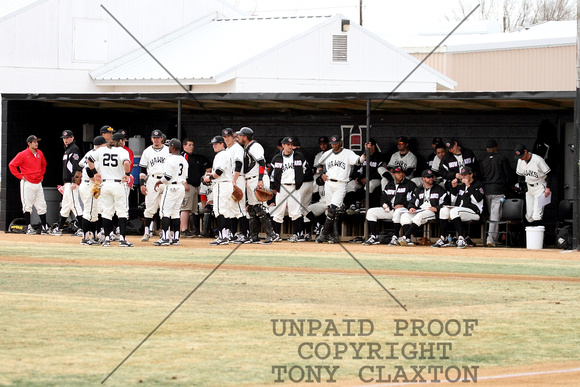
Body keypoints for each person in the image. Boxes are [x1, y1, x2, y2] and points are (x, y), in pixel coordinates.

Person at [316, 135, 366, 244]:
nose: (334, 145)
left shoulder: (348, 153)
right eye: (332, 143)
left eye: (336, 143)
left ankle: (324, 234)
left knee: (333, 208)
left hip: (341, 183)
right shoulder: (327, 153)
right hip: (329, 183)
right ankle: (334, 236)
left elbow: (359, 160)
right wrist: (321, 174)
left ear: (341, 142)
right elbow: (319, 164)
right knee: (330, 210)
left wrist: (366, 152)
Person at [87, 133, 133, 247]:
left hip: (105, 183)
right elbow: (126, 163)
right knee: (122, 211)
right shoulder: (122, 151)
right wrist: (127, 174)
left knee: (107, 212)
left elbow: (89, 160)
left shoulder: (102, 150)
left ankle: (106, 239)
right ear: (121, 141)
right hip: (118, 183)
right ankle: (122, 239)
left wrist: (95, 173)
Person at [236, 127, 279, 244]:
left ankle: (272, 234)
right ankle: (254, 236)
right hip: (251, 179)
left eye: (240, 135)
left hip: (257, 179)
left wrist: (260, 180)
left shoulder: (255, 146)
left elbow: (262, 163)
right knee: (252, 208)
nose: (238, 137)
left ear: (245, 137)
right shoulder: (246, 147)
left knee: (260, 208)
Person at [432, 166, 484, 249]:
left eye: (465, 175)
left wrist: (468, 185)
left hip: (474, 211)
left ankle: (461, 238)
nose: (463, 177)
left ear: (471, 174)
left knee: (454, 211)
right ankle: (443, 238)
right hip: (461, 209)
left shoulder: (478, 184)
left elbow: (477, 199)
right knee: (443, 210)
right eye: (462, 175)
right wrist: (454, 187)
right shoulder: (461, 185)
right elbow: (453, 201)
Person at [8, 135, 51, 235]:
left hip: (38, 183)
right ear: (29, 143)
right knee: (27, 205)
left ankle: (44, 227)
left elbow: (44, 164)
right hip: (27, 183)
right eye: (34, 142)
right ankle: (29, 227)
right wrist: (20, 176)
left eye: (37, 142)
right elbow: (12, 165)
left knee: (42, 205)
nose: (37, 143)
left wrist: (42, 175)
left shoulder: (40, 153)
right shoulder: (22, 154)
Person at [362, 166, 416, 246]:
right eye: (398, 173)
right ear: (393, 174)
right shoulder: (390, 184)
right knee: (371, 212)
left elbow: (414, 198)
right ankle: (374, 236)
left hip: (404, 210)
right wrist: (385, 205)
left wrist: (403, 205)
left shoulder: (410, 184)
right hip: (391, 209)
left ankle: (395, 236)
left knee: (397, 211)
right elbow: (383, 197)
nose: (400, 174)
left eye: (401, 172)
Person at [398, 169, 449, 246]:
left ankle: (405, 237)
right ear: (423, 179)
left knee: (419, 217)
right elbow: (412, 201)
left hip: (432, 211)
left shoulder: (439, 189)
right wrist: (411, 207)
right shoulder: (418, 190)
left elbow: (446, 202)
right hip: (420, 210)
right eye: (428, 177)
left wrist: (437, 208)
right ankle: (409, 239)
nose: (431, 178)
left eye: (432, 177)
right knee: (405, 216)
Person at [152, 139, 188, 246]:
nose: (168, 147)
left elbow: (167, 176)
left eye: (169, 146)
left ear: (173, 147)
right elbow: (185, 176)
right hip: (180, 186)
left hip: (171, 186)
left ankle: (165, 238)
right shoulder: (183, 160)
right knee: (176, 212)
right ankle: (176, 238)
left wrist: (158, 181)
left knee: (165, 212)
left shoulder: (170, 159)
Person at [270, 136, 306, 242]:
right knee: (278, 212)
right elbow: (271, 174)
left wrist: (299, 181)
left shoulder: (299, 156)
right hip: (281, 187)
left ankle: (297, 234)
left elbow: (306, 169)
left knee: (295, 211)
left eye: (291, 145)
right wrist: (274, 188)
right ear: (283, 145)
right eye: (288, 145)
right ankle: (276, 234)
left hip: (294, 187)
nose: (290, 147)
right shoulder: (276, 158)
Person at [480, 139, 513, 247]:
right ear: (496, 148)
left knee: (492, 214)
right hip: (498, 190)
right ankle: (491, 239)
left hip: (487, 190)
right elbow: (508, 175)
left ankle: (493, 237)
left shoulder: (484, 161)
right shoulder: (502, 158)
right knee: (495, 216)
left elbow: (482, 176)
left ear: (487, 149)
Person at [50, 130, 83, 236]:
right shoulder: (67, 150)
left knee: (75, 205)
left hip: (72, 183)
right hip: (67, 183)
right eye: (64, 138)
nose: (65, 140)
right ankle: (59, 228)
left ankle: (82, 229)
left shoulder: (74, 149)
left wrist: (75, 181)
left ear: (72, 138)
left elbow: (77, 167)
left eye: (67, 138)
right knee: (65, 206)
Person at [139, 129, 170, 241]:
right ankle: (147, 232)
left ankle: (164, 232)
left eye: (158, 138)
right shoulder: (147, 151)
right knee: (149, 207)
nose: (156, 140)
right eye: (154, 138)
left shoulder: (168, 150)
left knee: (165, 208)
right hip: (152, 179)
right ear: (151, 139)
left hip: (165, 179)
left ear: (162, 138)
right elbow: (142, 169)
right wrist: (142, 184)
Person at [203, 135, 234, 245]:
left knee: (220, 210)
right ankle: (226, 235)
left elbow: (219, 172)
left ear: (222, 144)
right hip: (226, 184)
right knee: (226, 211)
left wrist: (209, 177)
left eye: (216, 144)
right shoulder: (226, 154)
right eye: (213, 144)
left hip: (222, 185)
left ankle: (222, 236)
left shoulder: (221, 155)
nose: (214, 146)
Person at [78, 135, 107, 245]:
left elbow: (81, 164)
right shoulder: (98, 154)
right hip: (89, 185)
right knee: (88, 212)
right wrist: (95, 180)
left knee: (94, 212)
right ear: (101, 145)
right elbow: (87, 168)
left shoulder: (89, 153)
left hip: (87, 185)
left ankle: (95, 236)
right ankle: (85, 238)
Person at [223, 128, 250, 243]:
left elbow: (238, 164)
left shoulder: (237, 148)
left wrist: (233, 181)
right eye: (224, 137)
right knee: (231, 208)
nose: (226, 138)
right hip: (230, 180)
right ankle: (233, 234)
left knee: (239, 208)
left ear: (233, 137)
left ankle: (246, 234)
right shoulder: (227, 150)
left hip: (237, 179)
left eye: (228, 136)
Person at [514, 144, 551, 226]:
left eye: (521, 155)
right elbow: (520, 175)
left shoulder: (538, 159)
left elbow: (549, 173)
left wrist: (548, 188)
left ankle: (538, 237)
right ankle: (531, 237)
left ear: (526, 152)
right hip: (529, 187)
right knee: (529, 216)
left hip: (540, 186)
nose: (521, 158)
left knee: (537, 215)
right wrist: (520, 186)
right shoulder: (520, 161)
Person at [180, 138, 210, 237]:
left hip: (194, 185)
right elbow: (182, 170)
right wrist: (184, 183)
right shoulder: (184, 156)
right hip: (187, 185)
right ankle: (183, 229)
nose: (191, 147)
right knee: (185, 208)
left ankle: (191, 229)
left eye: (192, 145)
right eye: (189, 145)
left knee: (192, 209)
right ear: (184, 146)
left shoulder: (193, 158)